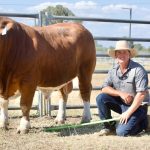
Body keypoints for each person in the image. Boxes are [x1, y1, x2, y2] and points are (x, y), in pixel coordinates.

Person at [96, 40, 149, 136]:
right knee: (101, 98)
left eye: (124, 52)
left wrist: (128, 113)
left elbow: (141, 94)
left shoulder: (138, 70)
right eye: (119, 52)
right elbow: (104, 88)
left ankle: (144, 123)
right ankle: (108, 127)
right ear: (115, 55)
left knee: (122, 132)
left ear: (129, 54)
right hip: (122, 104)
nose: (121, 54)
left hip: (138, 107)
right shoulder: (113, 70)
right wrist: (120, 93)